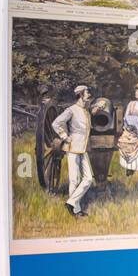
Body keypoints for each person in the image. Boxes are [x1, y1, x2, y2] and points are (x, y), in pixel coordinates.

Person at [52, 84, 94, 217]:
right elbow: (56, 123)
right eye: (87, 92)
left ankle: (70, 202)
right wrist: (64, 136)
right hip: (73, 147)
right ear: (81, 94)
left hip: (83, 148)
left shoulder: (86, 111)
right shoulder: (71, 110)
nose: (88, 95)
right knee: (74, 179)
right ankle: (76, 210)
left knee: (88, 179)